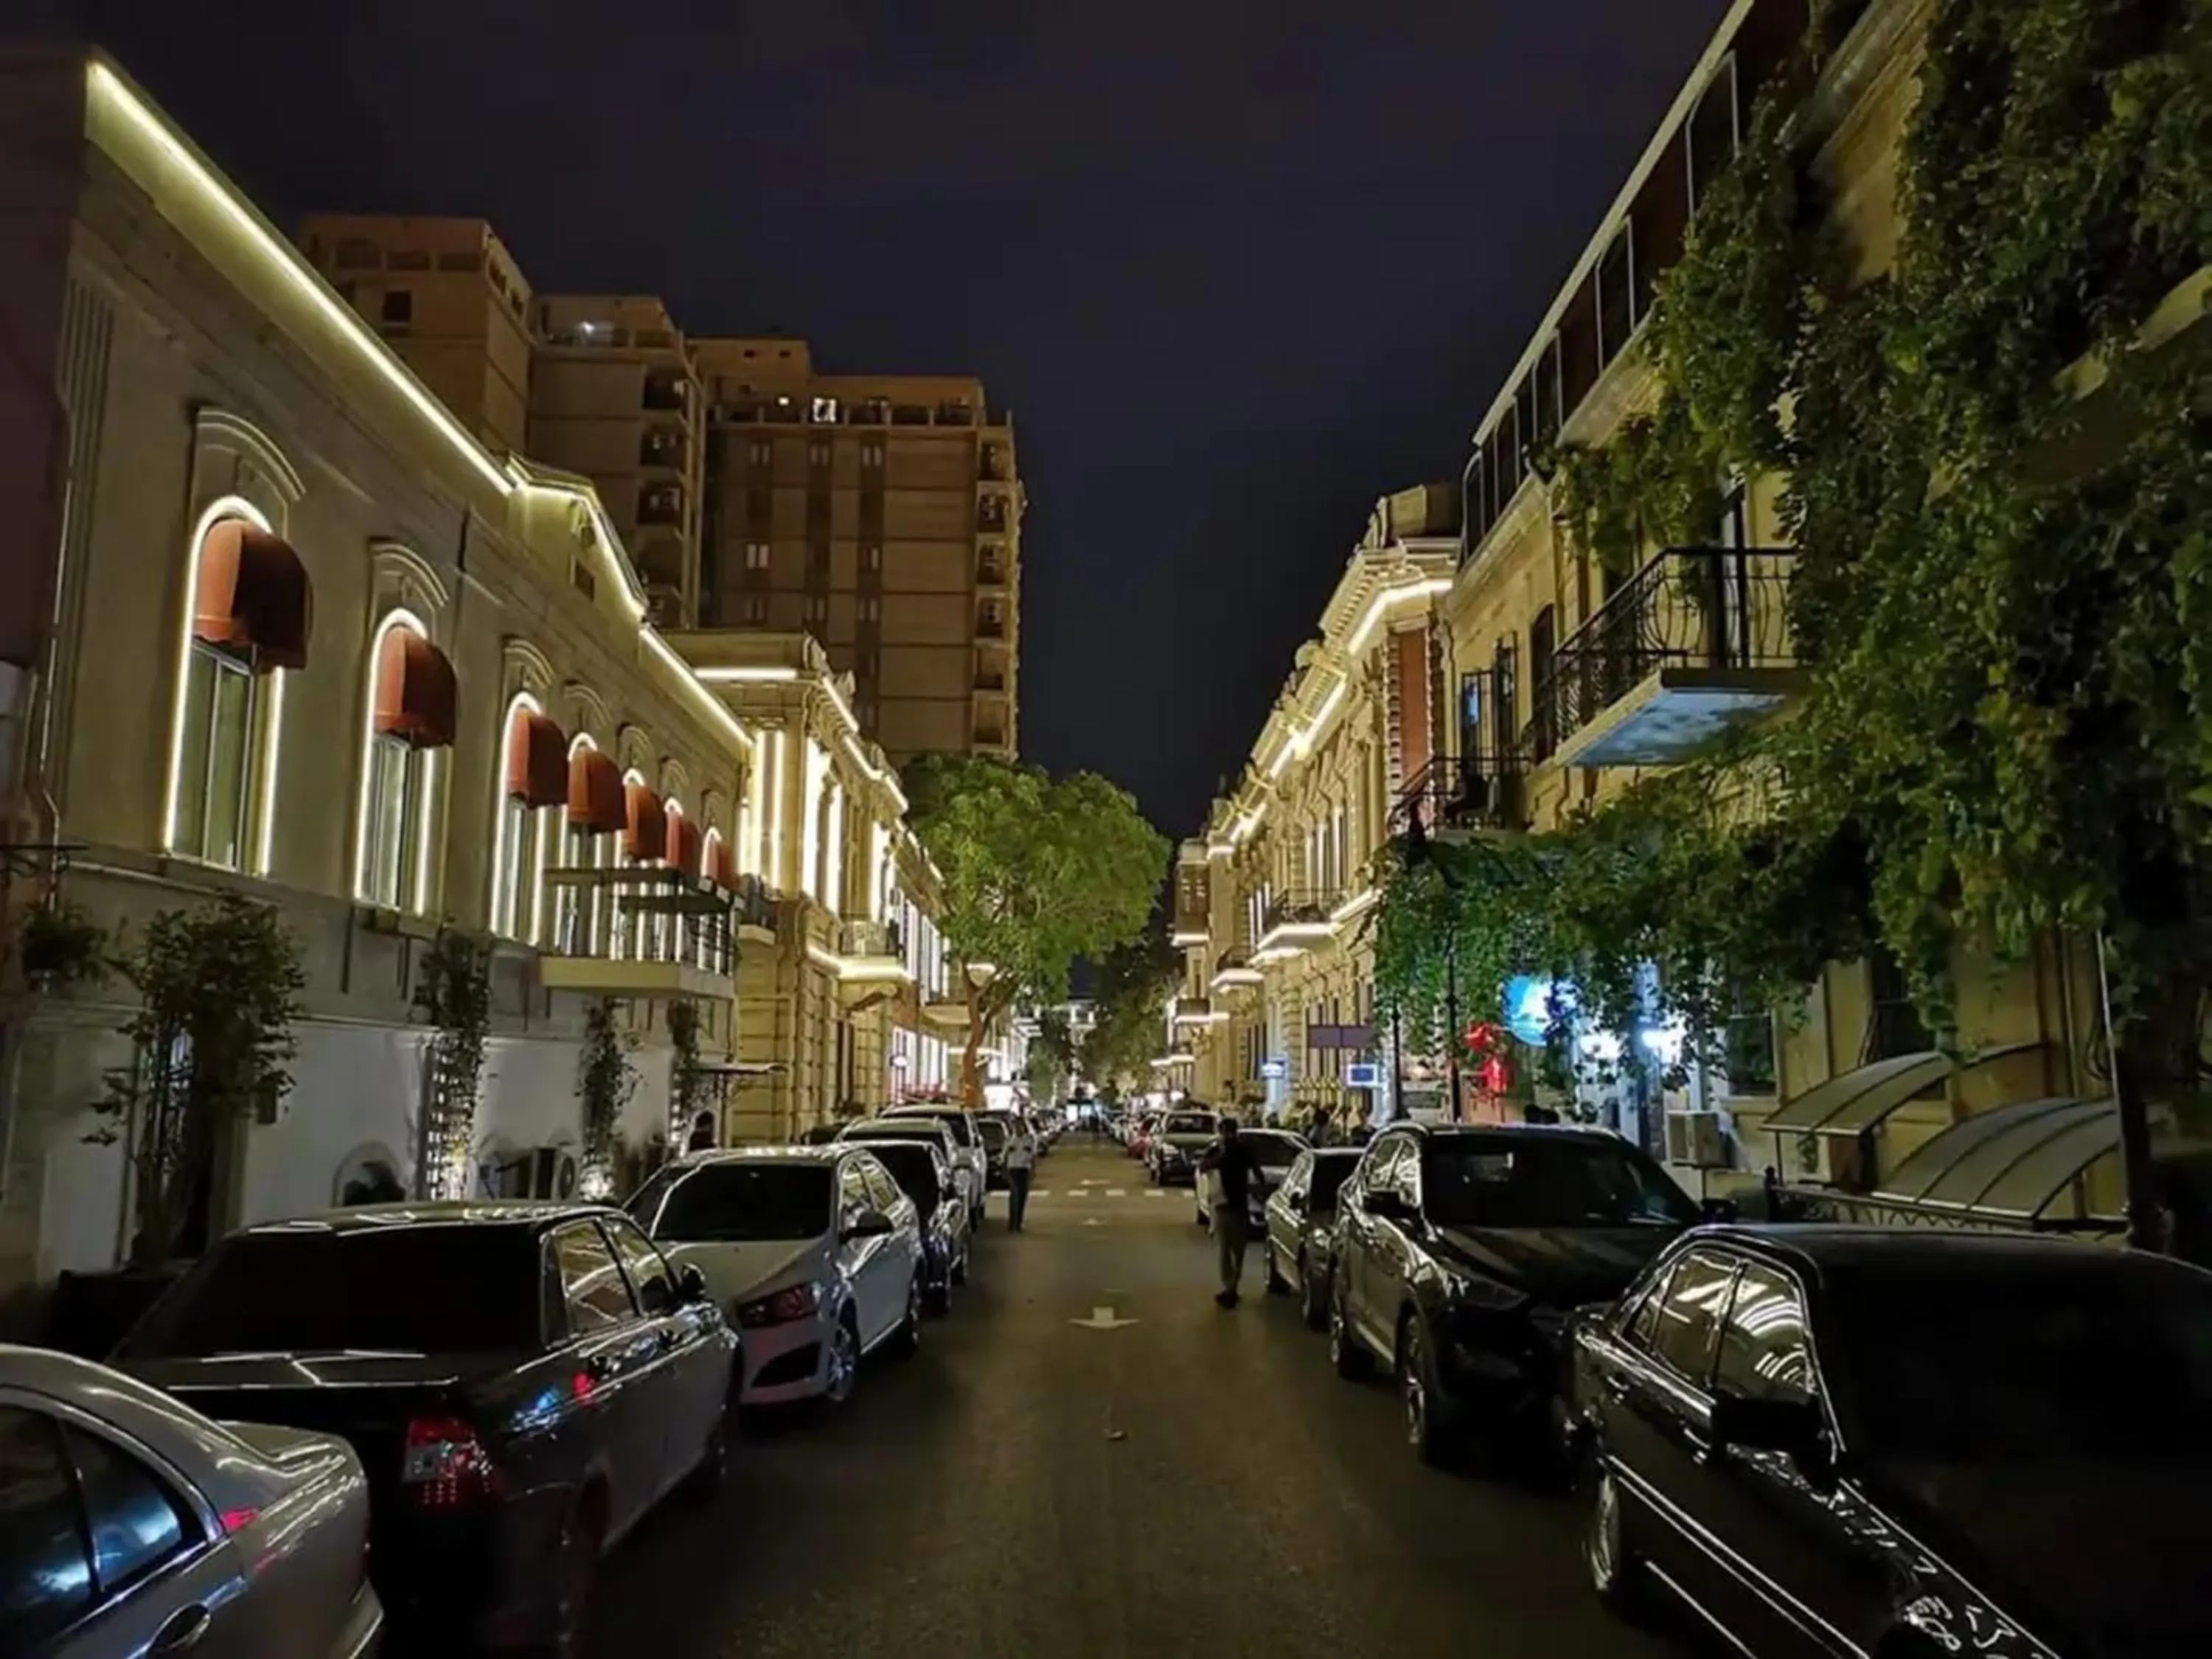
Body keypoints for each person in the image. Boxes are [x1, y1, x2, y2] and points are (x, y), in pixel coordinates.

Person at [1197, 1117, 1259, 1308]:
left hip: (1227, 1207)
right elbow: (1257, 1171)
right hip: (1237, 1207)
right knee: (1236, 1252)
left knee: (1228, 1251)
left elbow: (1204, 1166)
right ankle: (1232, 1287)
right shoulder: (1239, 1150)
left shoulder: (1227, 1150)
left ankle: (1230, 1288)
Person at [1005, 1127, 1035, 1231]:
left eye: (1020, 1126)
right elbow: (1004, 1155)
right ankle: (1012, 1222)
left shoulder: (1029, 1139)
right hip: (1013, 1169)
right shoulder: (1010, 1139)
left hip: (1024, 1170)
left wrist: (1033, 1170)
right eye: (1016, 1125)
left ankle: (1019, 1222)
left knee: (1022, 1197)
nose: (1018, 1129)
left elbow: (1033, 1155)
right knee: (1015, 1196)